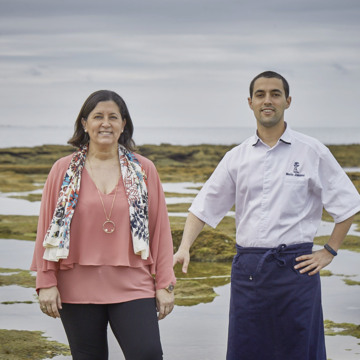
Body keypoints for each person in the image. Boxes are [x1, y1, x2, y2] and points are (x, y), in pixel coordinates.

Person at [173, 71, 360, 360]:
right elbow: (202, 208)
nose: (267, 100)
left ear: (288, 101)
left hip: (297, 268)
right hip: (248, 271)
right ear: (250, 103)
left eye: (275, 94)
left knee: (300, 351)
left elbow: (348, 204)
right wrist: (184, 247)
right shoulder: (236, 157)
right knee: (247, 351)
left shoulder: (312, 151)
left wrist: (330, 251)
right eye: (260, 94)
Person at [31, 90, 176, 360]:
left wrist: (165, 284)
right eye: (98, 116)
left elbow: (160, 231)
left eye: (113, 117)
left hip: (133, 283)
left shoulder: (144, 169)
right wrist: (46, 281)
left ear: (123, 124)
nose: (105, 123)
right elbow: (46, 229)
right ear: (85, 123)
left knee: (147, 354)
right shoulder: (62, 170)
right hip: (75, 286)